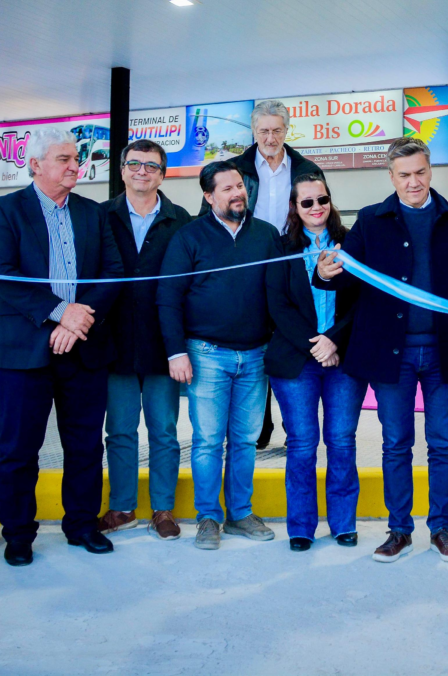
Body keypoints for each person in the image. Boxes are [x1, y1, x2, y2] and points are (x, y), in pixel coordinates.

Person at [315, 137, 448, 564]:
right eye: (404, 175)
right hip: (392, 355)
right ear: (391, 177)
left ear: (431, 171)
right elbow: (346, 277)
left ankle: (441, 528)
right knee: (395, 444)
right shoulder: (371, 220)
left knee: (443, 444)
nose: (414, 182)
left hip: (446, 352)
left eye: (420, 172)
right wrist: (325, 272)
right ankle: (399, 530)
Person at [0, 128, 124, 566]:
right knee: (19, 450)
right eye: (64, 159)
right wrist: (61, 313)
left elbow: (113, 272)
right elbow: (2, 275)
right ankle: (18, 535)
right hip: (23, 353)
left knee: (85, 447)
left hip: (84, 349)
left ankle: (81, 525)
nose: (74, 166)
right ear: (35, 164)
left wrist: (77, 322)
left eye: (76, 158)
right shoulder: (5, 209)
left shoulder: (93, 212)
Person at [157, 160, 281, 550]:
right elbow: (168, 297)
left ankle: (240, 514)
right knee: (209, 440)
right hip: (206, 354)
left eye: (240, 186)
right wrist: (176, 352)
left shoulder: (266, 234)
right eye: (227, 189)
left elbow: (279, 293)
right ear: (209, 196)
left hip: (256, 356)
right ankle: (208, 518)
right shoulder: (189, 237)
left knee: (245, 441)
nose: (237, 193)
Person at [200, 100, 323, 450]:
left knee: (287, 334)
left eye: (277, 130)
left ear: (287, 130)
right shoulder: (234, 169)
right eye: (263, 130)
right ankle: (259, 428)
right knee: (254, 339)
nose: (270, 137)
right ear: (254, 131)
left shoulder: (306, 169)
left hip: (291, 260)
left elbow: (318, 213)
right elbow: (209, 217)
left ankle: (293, 423)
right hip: (247, 259)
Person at [265, 173, 366, 552]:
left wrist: (334, 339)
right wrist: (316, 345)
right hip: (297, 360)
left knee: (341, 441)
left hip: (343, 357)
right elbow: (277, 305)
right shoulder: (281, 248)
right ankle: (301, 527)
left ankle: (343, 524)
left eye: (322, 199)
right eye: (306, 202)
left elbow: (362, 300)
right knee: (303, 444)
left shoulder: (352, 242)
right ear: (295, 207)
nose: (316, 207)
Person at [98, 139, 192, 540]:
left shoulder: (180, 219)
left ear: (162, 174)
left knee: (164, 430)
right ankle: (122, 508)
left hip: (162, 343)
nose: (142, 171)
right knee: (119, 430)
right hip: (114, 342)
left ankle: (162, 509)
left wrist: (180, 344)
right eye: (134, 164)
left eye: (151, 166)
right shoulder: (101, 216)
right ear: (122, 170)